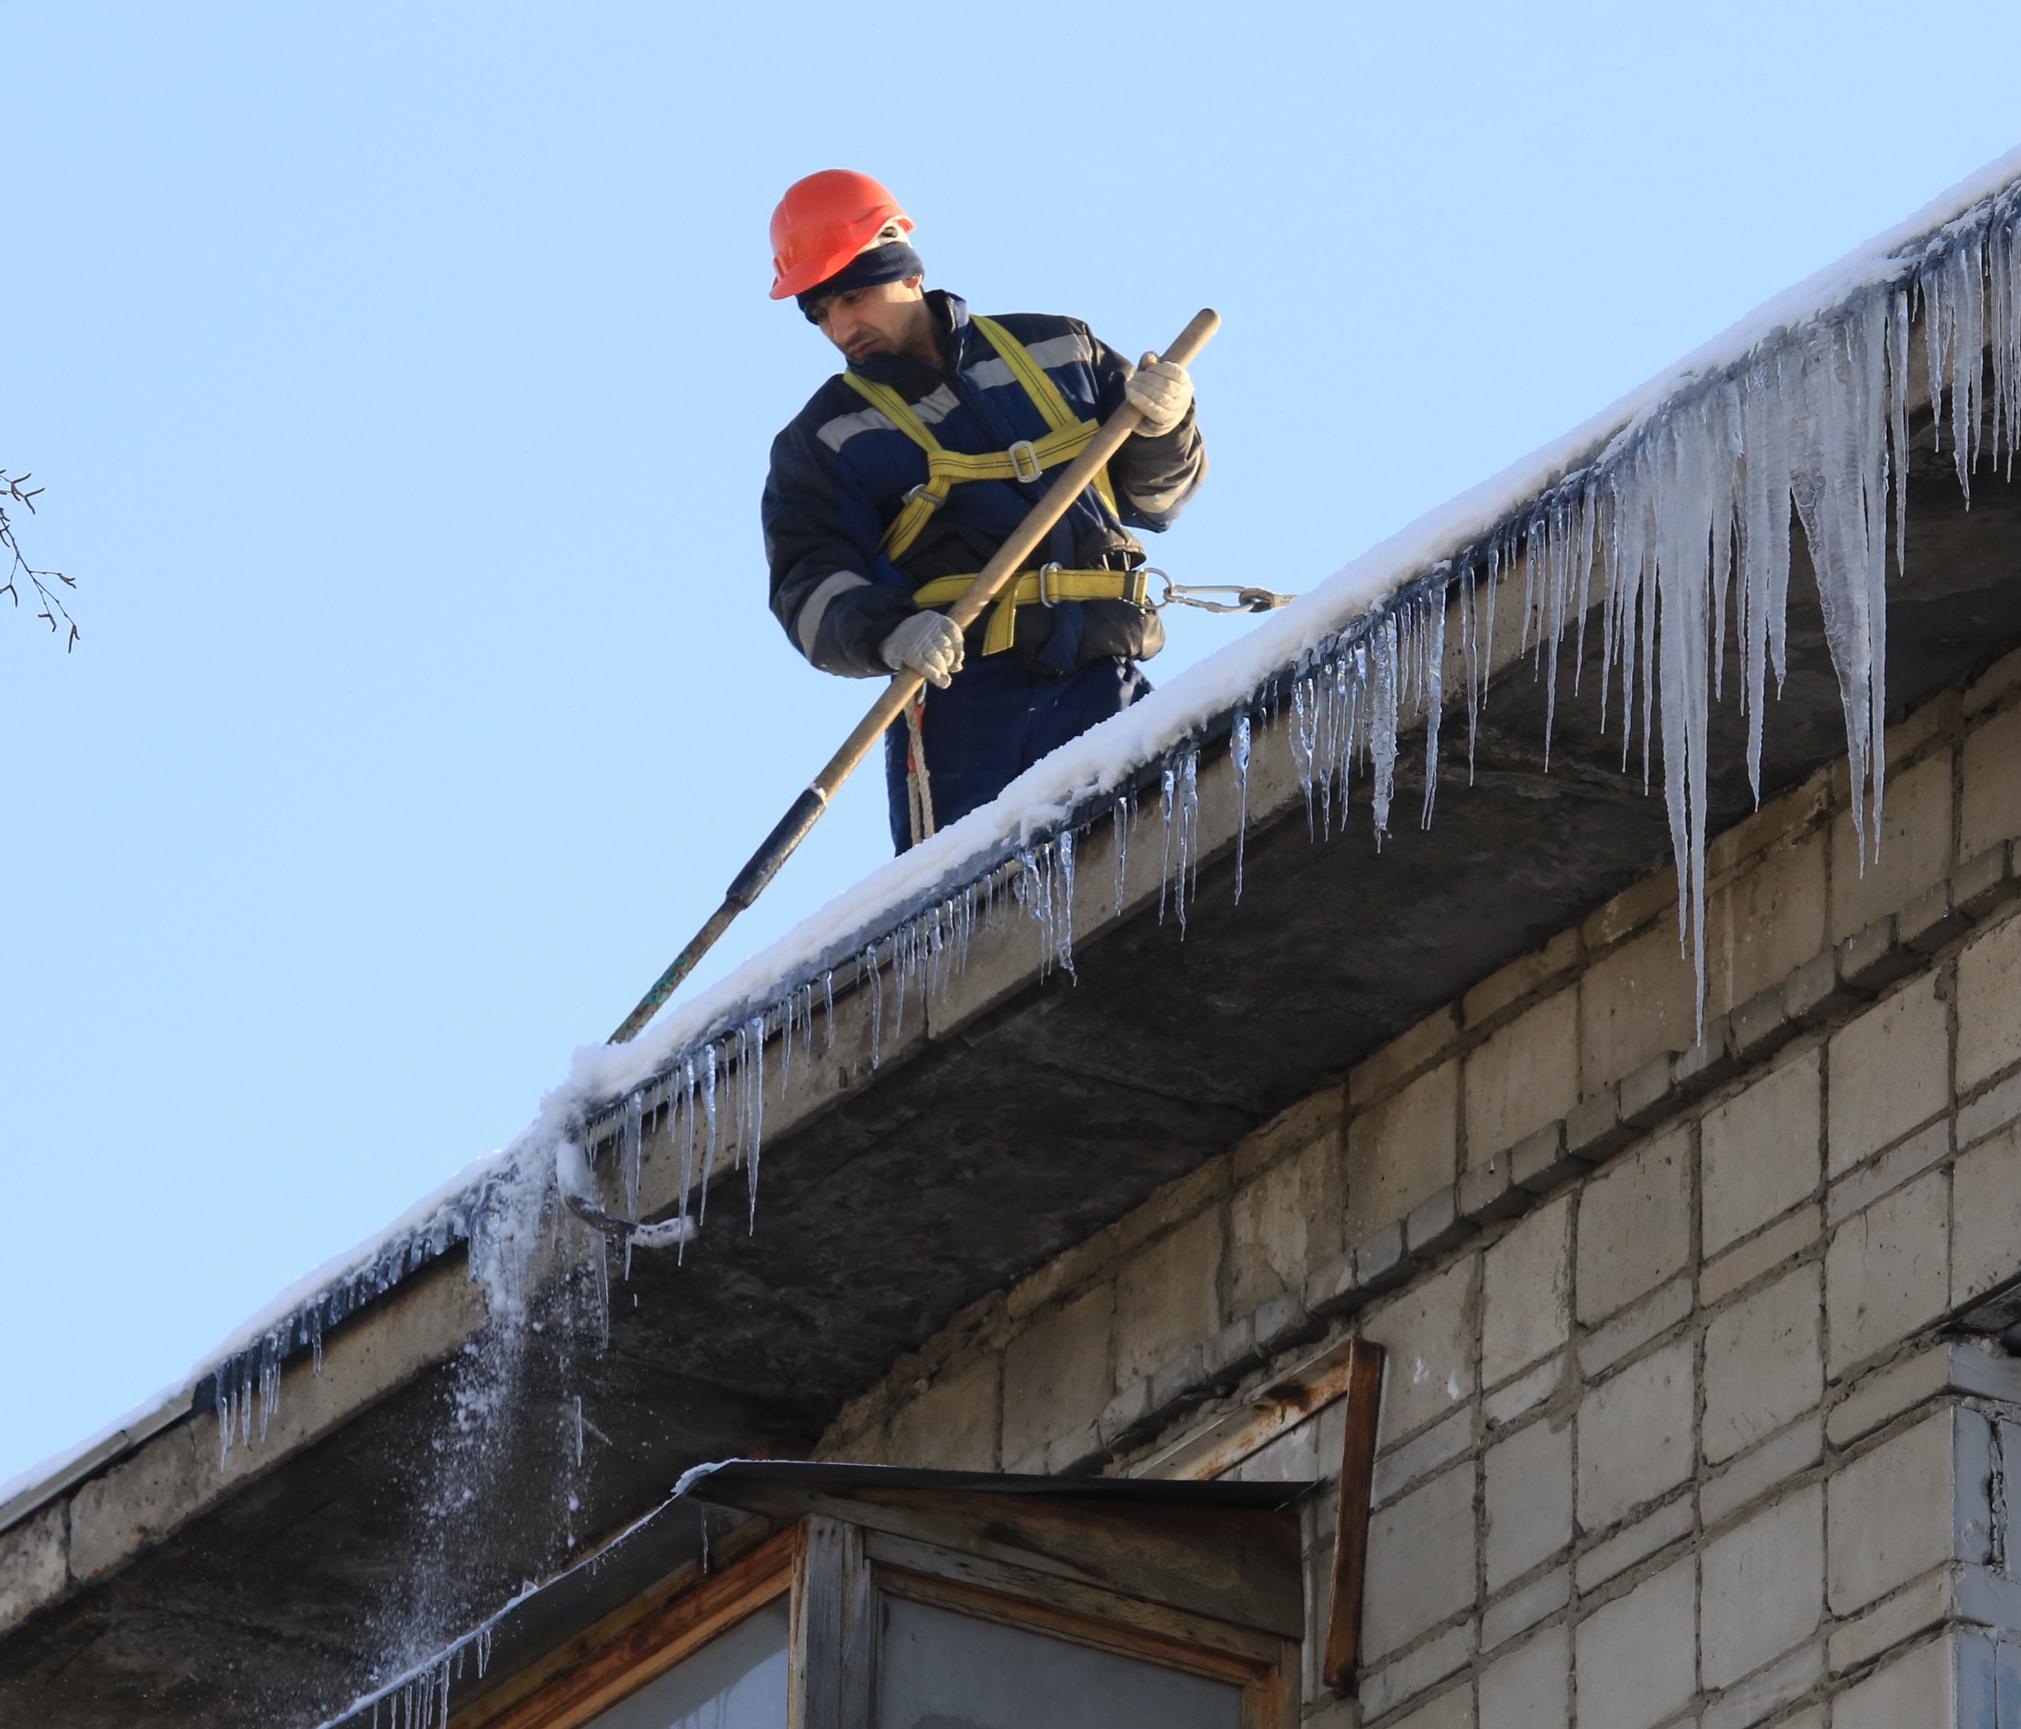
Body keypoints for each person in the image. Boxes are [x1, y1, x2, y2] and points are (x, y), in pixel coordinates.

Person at [761, 170, 1207, 851]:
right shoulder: (825, 439)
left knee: (1165, 866)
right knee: (974, 917)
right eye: (820, 312)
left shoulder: (1058, 350)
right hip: (966, 711)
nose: (842, 326)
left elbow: (1157, 499)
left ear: (905, 271)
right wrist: (889, 634)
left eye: (853, 295)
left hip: (1103, 678)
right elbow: (808, 589)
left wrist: (1162, 425)